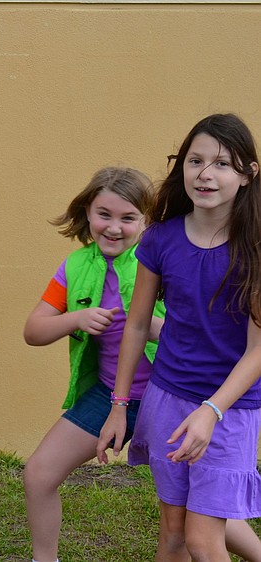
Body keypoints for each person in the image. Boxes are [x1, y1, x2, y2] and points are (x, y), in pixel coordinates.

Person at [97, 114, 261, 561]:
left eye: (222, 164)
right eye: (196, 160)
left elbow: (258, 350)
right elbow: (136, 324)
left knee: (204, 538)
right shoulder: (161, 238)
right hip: (168, 399)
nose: (206, 174)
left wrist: (212, 411)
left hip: (229, 410)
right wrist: (119, 405)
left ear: (248, 175)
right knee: (172, 531)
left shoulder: (255, 248)